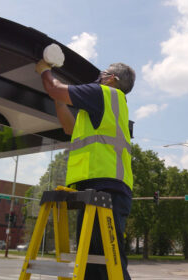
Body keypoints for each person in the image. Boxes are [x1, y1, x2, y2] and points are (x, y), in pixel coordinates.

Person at [35, 59, 135, 280]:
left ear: (112, 79)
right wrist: (59, 101)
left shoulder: (103, 94)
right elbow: (69, 128)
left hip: (106, 190)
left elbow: (54, 87)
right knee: (92, 263)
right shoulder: (109, 105)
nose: (99, 76)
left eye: (104, 73)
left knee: (108, 266)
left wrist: (44, 69)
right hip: (99, 190)